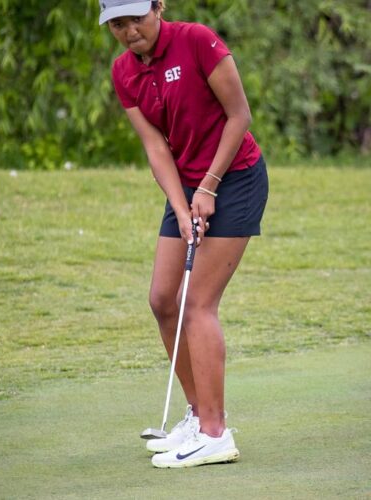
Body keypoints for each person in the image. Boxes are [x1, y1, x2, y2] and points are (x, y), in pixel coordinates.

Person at [99, 0, 268, 468]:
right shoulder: (123, 72)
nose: (130, 31)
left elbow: (240, 116)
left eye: (137, 17)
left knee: (197, 303)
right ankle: (197, 416)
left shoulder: (196, 40)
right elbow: (155, 144)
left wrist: (209, 186)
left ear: (158, 7)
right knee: (162, 300)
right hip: (187, 184)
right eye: (118, 23)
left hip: (235, 177)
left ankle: (216, 434)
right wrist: (179, 203)